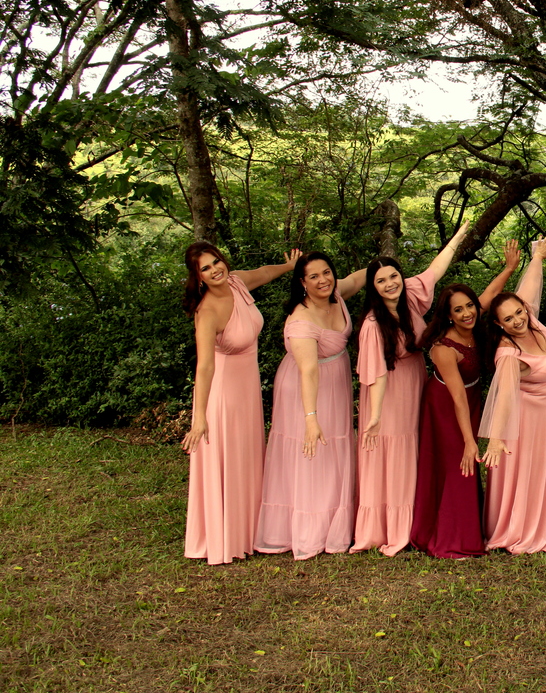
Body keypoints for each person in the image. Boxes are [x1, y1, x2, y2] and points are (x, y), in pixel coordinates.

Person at [350, 223, 474, 555]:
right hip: (387, 395)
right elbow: (377, 374)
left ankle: (417, 520)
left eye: (393, 277)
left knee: (414, 449)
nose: (389, 284)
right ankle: (390, 527)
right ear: (373, 289)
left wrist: (459, 236)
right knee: (392, 453)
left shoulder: (412, 298)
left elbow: (436, 269)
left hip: (416, 384)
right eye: (381, 281)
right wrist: (374, 415)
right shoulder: (373, 325)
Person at [181, 243, 300, 565]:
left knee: (248, 457)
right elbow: (204, 367)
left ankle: (250, 531)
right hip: (224, 397)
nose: (214, 270)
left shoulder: (236, 282)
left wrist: (288, 267)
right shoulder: (206, 312)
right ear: (198, 277)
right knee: (229, 461)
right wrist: (199, 417)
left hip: (247, 391)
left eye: (216, 262)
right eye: (205, 268)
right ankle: (225, 536)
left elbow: (263, 273)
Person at [410, 240, 521, 558]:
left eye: (469, 306)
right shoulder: (444, 348)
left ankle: (470, 526)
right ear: (447, 316)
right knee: (461, 461)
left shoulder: (474, 319)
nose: (467, 312)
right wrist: (470, 440)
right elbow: (457, 396)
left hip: (472, 399)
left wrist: (510, 268)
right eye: (457, 310)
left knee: (465, 462)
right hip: (445, 404)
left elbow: (488, 294)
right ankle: (453, 538)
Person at [255, 252, 367, 560]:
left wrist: (380, 270)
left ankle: (336, 523)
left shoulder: (336, 294)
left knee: (335, 449)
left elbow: (357, 279)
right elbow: (308, 371)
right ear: (302, 283)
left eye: (327, 272)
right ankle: (308, 531)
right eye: (314, 276)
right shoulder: (301, 320)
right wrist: (310, 418)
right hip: (305, 391)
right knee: (312, 452)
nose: (323, 280)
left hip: (336, 382)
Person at [478, 236, 546, 554]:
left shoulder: (529, 317)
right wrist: (497, 438)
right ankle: (520, 526)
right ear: (498, 324)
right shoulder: (507, 353)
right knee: (529, 471)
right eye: (509, 319)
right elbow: (503, 396)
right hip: (528, 420)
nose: (518, 320)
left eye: (518, 312)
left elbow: (529, 286)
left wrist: (537, 257)